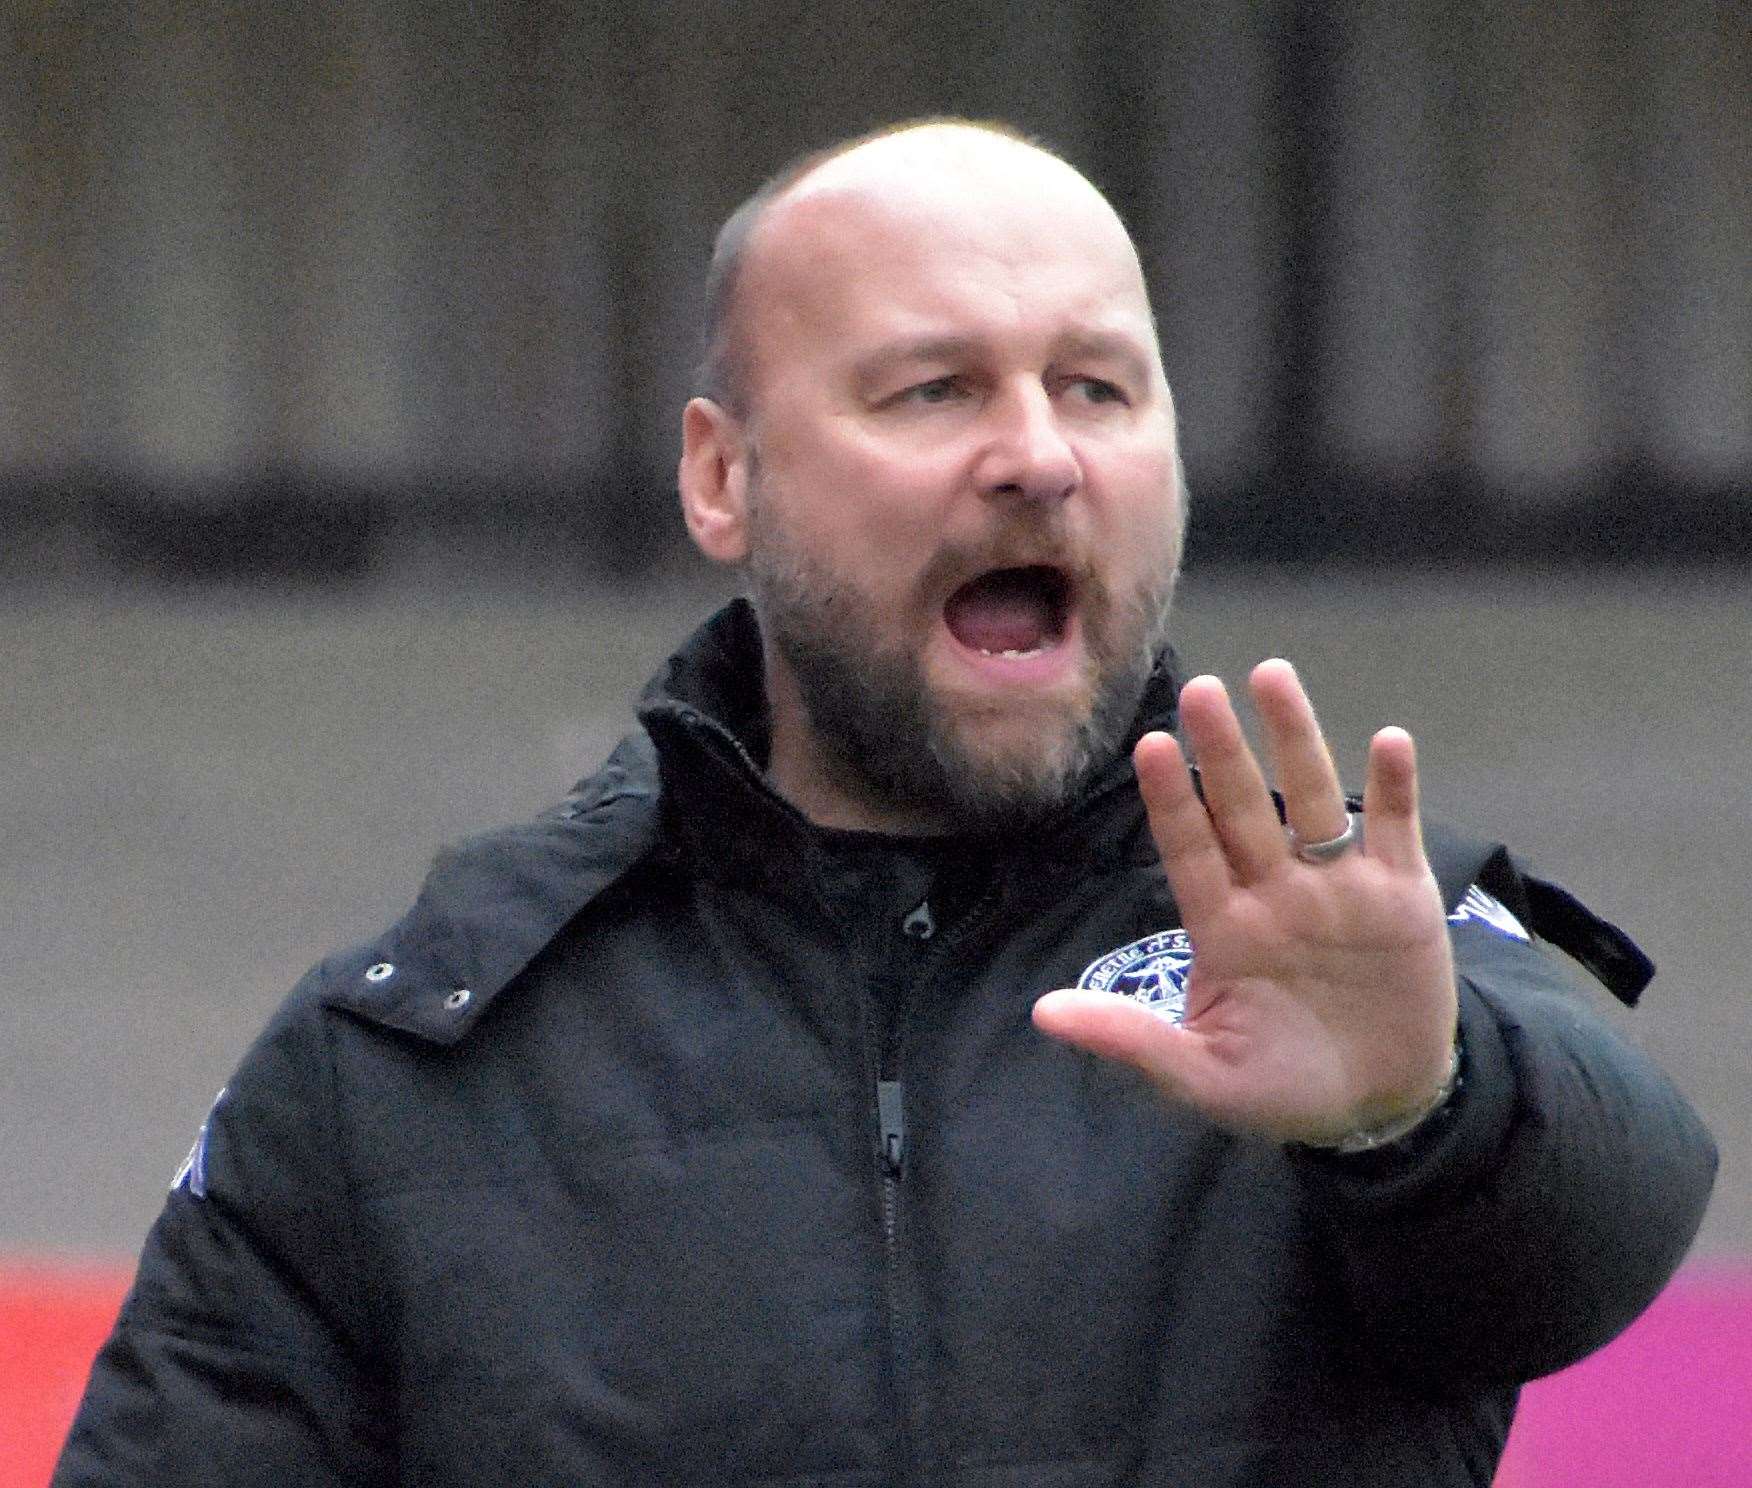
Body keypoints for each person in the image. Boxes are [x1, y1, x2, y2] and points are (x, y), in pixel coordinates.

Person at [55, 119, 1715, 1487]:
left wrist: (1408, 1115)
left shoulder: (1337, 939)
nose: (1038, 457)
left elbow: (1602, 1231)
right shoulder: (413, 1058)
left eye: (1097, 388)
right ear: (724, 475)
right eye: (933, 390)